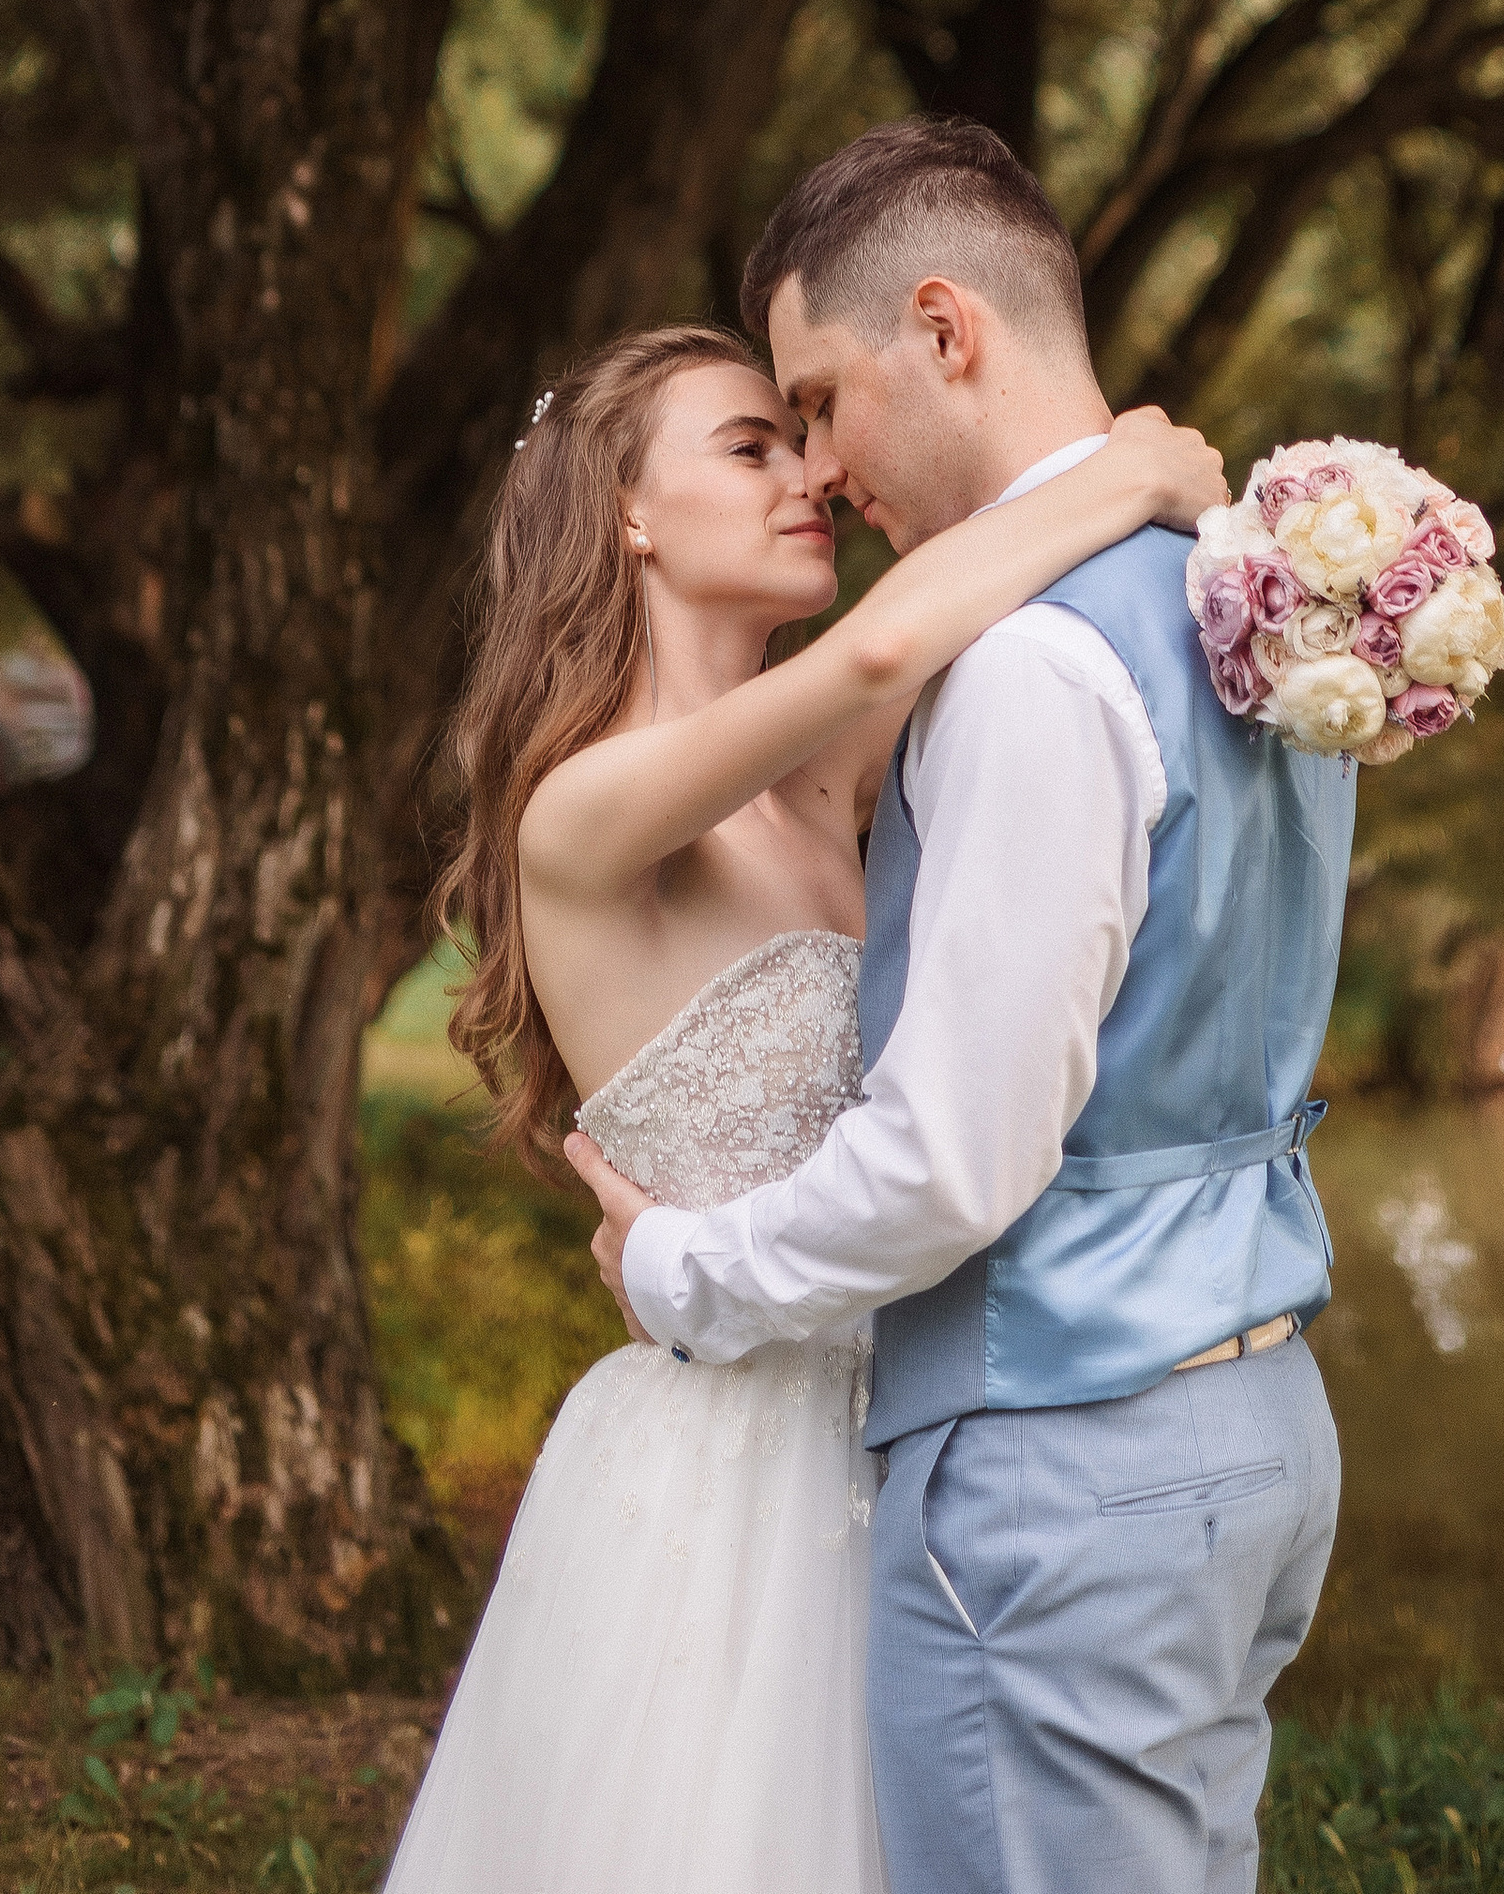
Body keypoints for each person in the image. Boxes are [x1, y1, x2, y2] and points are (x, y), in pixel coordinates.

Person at [565, 120, 1355, 1894]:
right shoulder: (1253, 613)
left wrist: (680, 1272)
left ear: (945, 329)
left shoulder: (1025, 669)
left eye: (820, 406)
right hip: (1259, 1426)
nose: (821, 470)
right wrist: (1138, 472)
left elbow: (949, 1165)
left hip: (1065, 1464)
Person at [381, 313, 1226, 1894]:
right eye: (753, 446)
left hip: (918, 1430)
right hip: (727, 1466)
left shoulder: (814, 790)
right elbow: (888, 647)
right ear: (628, 511)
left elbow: (980, 629)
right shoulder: (584, 811)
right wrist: (1130, 472)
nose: (811, 481)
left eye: (808, 439)